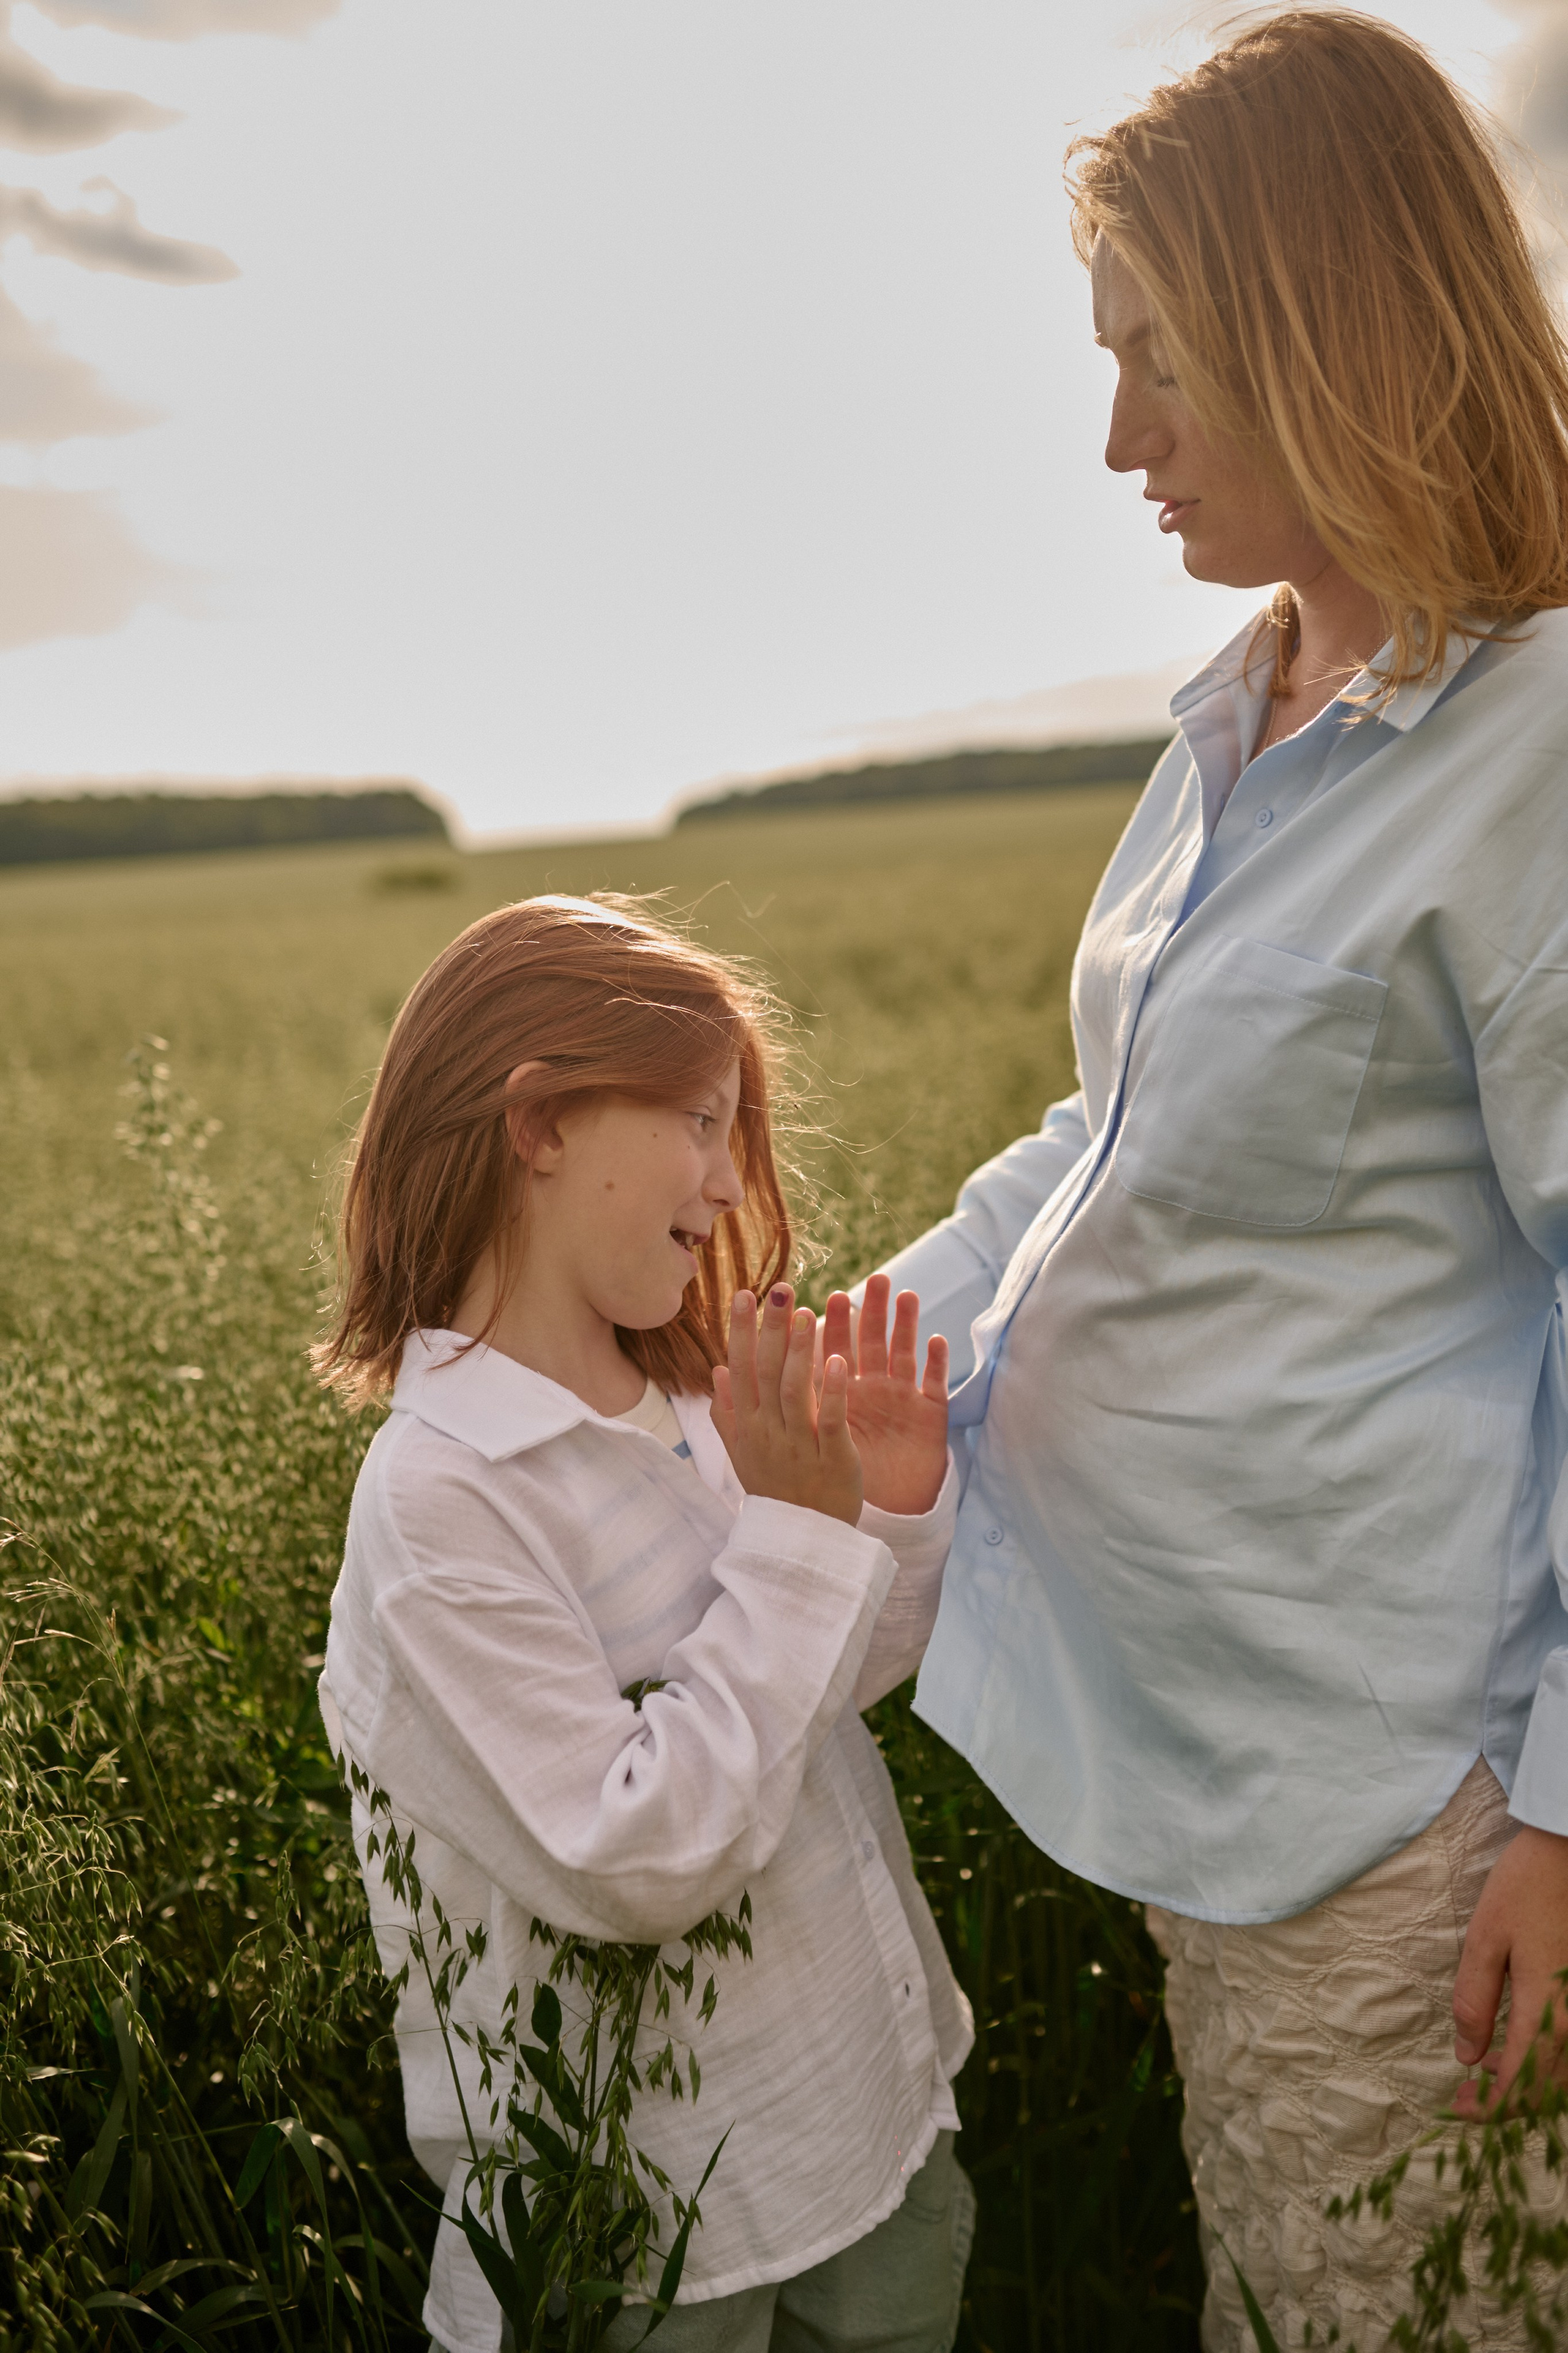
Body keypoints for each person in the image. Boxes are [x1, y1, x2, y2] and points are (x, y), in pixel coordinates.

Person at [862, 13, 1568, 2347]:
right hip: (1225, 1765)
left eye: (1160, 364)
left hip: (1414, 1813)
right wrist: (822, 1344)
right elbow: (1113, 1142)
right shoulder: (1246, 705)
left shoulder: (1538, 745)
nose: (1117, 437)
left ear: (1316, 329)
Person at [312, 894, 974, 2353]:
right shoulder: (444, 1499)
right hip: (651, 2239)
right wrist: (801, 1537)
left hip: (861, 2114)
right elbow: (637, 1856)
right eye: (696, 1121)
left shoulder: (684, 1396)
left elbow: (803, 1695)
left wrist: (892, 1512)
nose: (732, 1183)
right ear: (538, 1122)